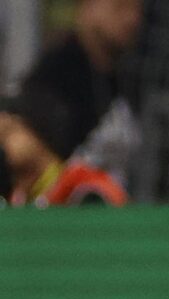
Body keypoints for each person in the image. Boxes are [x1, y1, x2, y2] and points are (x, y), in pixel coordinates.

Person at [0, 0, 141, 206]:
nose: (132, 19)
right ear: (87, 7)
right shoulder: (56, 74)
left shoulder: (128, 76)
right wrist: (58, 178)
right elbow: (19, 146)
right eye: (119, 7)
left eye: (137, 9)